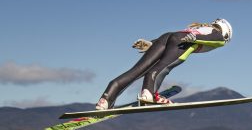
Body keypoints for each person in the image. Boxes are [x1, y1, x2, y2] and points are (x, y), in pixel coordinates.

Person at [95, 18, 232, 110]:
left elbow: (173, 37)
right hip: (182, 41)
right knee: (163, 67)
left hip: (167, 37)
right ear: (226, 33)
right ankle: (149, 94)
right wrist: (196, 38)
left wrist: (152, 44)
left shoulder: (204, 27)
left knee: (137, 70)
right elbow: (215, 38)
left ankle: (106, 99)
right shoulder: (219, 36)